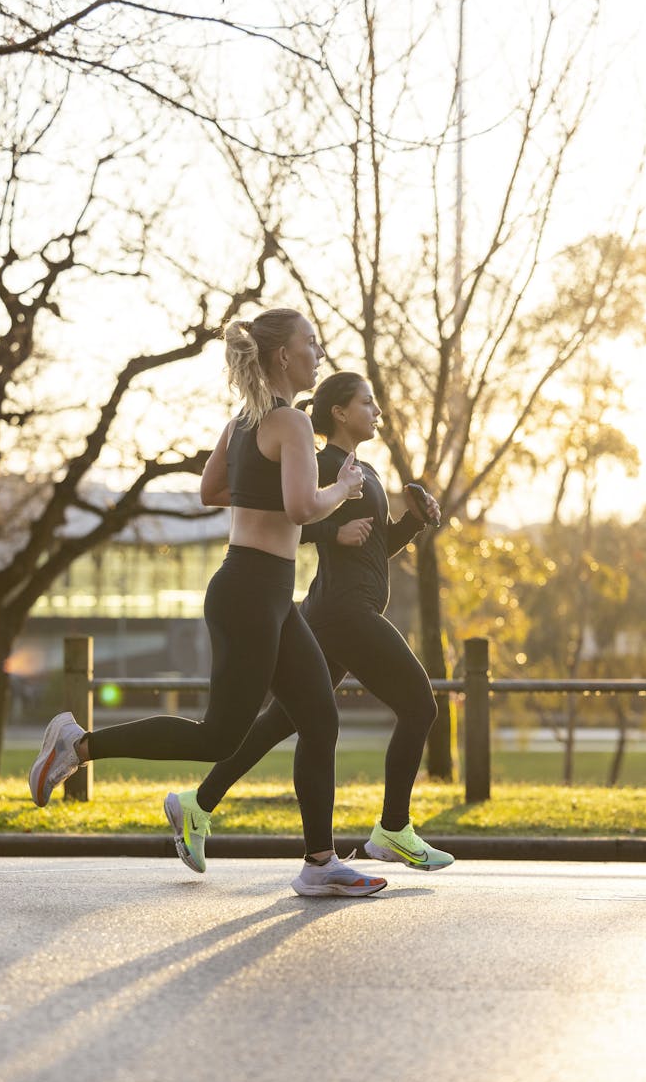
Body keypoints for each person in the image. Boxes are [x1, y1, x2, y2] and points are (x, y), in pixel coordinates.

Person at [29, 310, 387, 898]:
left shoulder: (242, 422)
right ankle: (79, 744)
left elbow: (210, 490)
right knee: (218, 736)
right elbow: (302, 508)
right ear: (282, 358)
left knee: (319, 716)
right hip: (252, 592)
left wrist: (282, 492)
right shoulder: (292, 423)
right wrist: (341, 490)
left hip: (260, 590)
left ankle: (320, 862)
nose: (318, 354)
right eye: (310, 344)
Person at [166, 371, 455, 877]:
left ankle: (198, 802)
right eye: (367, 403)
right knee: (419, 705)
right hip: (344, 613)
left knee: (285, 721)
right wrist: (330, 530)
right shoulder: (317, 463)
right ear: (340, 412)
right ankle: (392, 829)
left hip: (333, 613)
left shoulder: (363, 472)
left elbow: (374, 550)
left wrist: (413, 520)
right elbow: (281, 520)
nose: (377, 412)